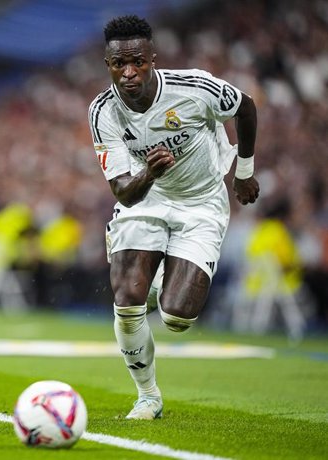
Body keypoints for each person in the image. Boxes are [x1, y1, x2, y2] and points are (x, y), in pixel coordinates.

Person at [87, 16, 259, 420]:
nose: (128, 73)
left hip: (200, 204)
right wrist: (150, 172)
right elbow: (123, 193)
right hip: (145, 200)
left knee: (177, 317)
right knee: (127, 301)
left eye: (137, 62)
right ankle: (148, 396)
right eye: (118, 65)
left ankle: (159, 281)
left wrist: (245, 171)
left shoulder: (194, 88)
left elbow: (245, 107)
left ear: (152, 59)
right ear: (107, 63)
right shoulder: (103, 111)